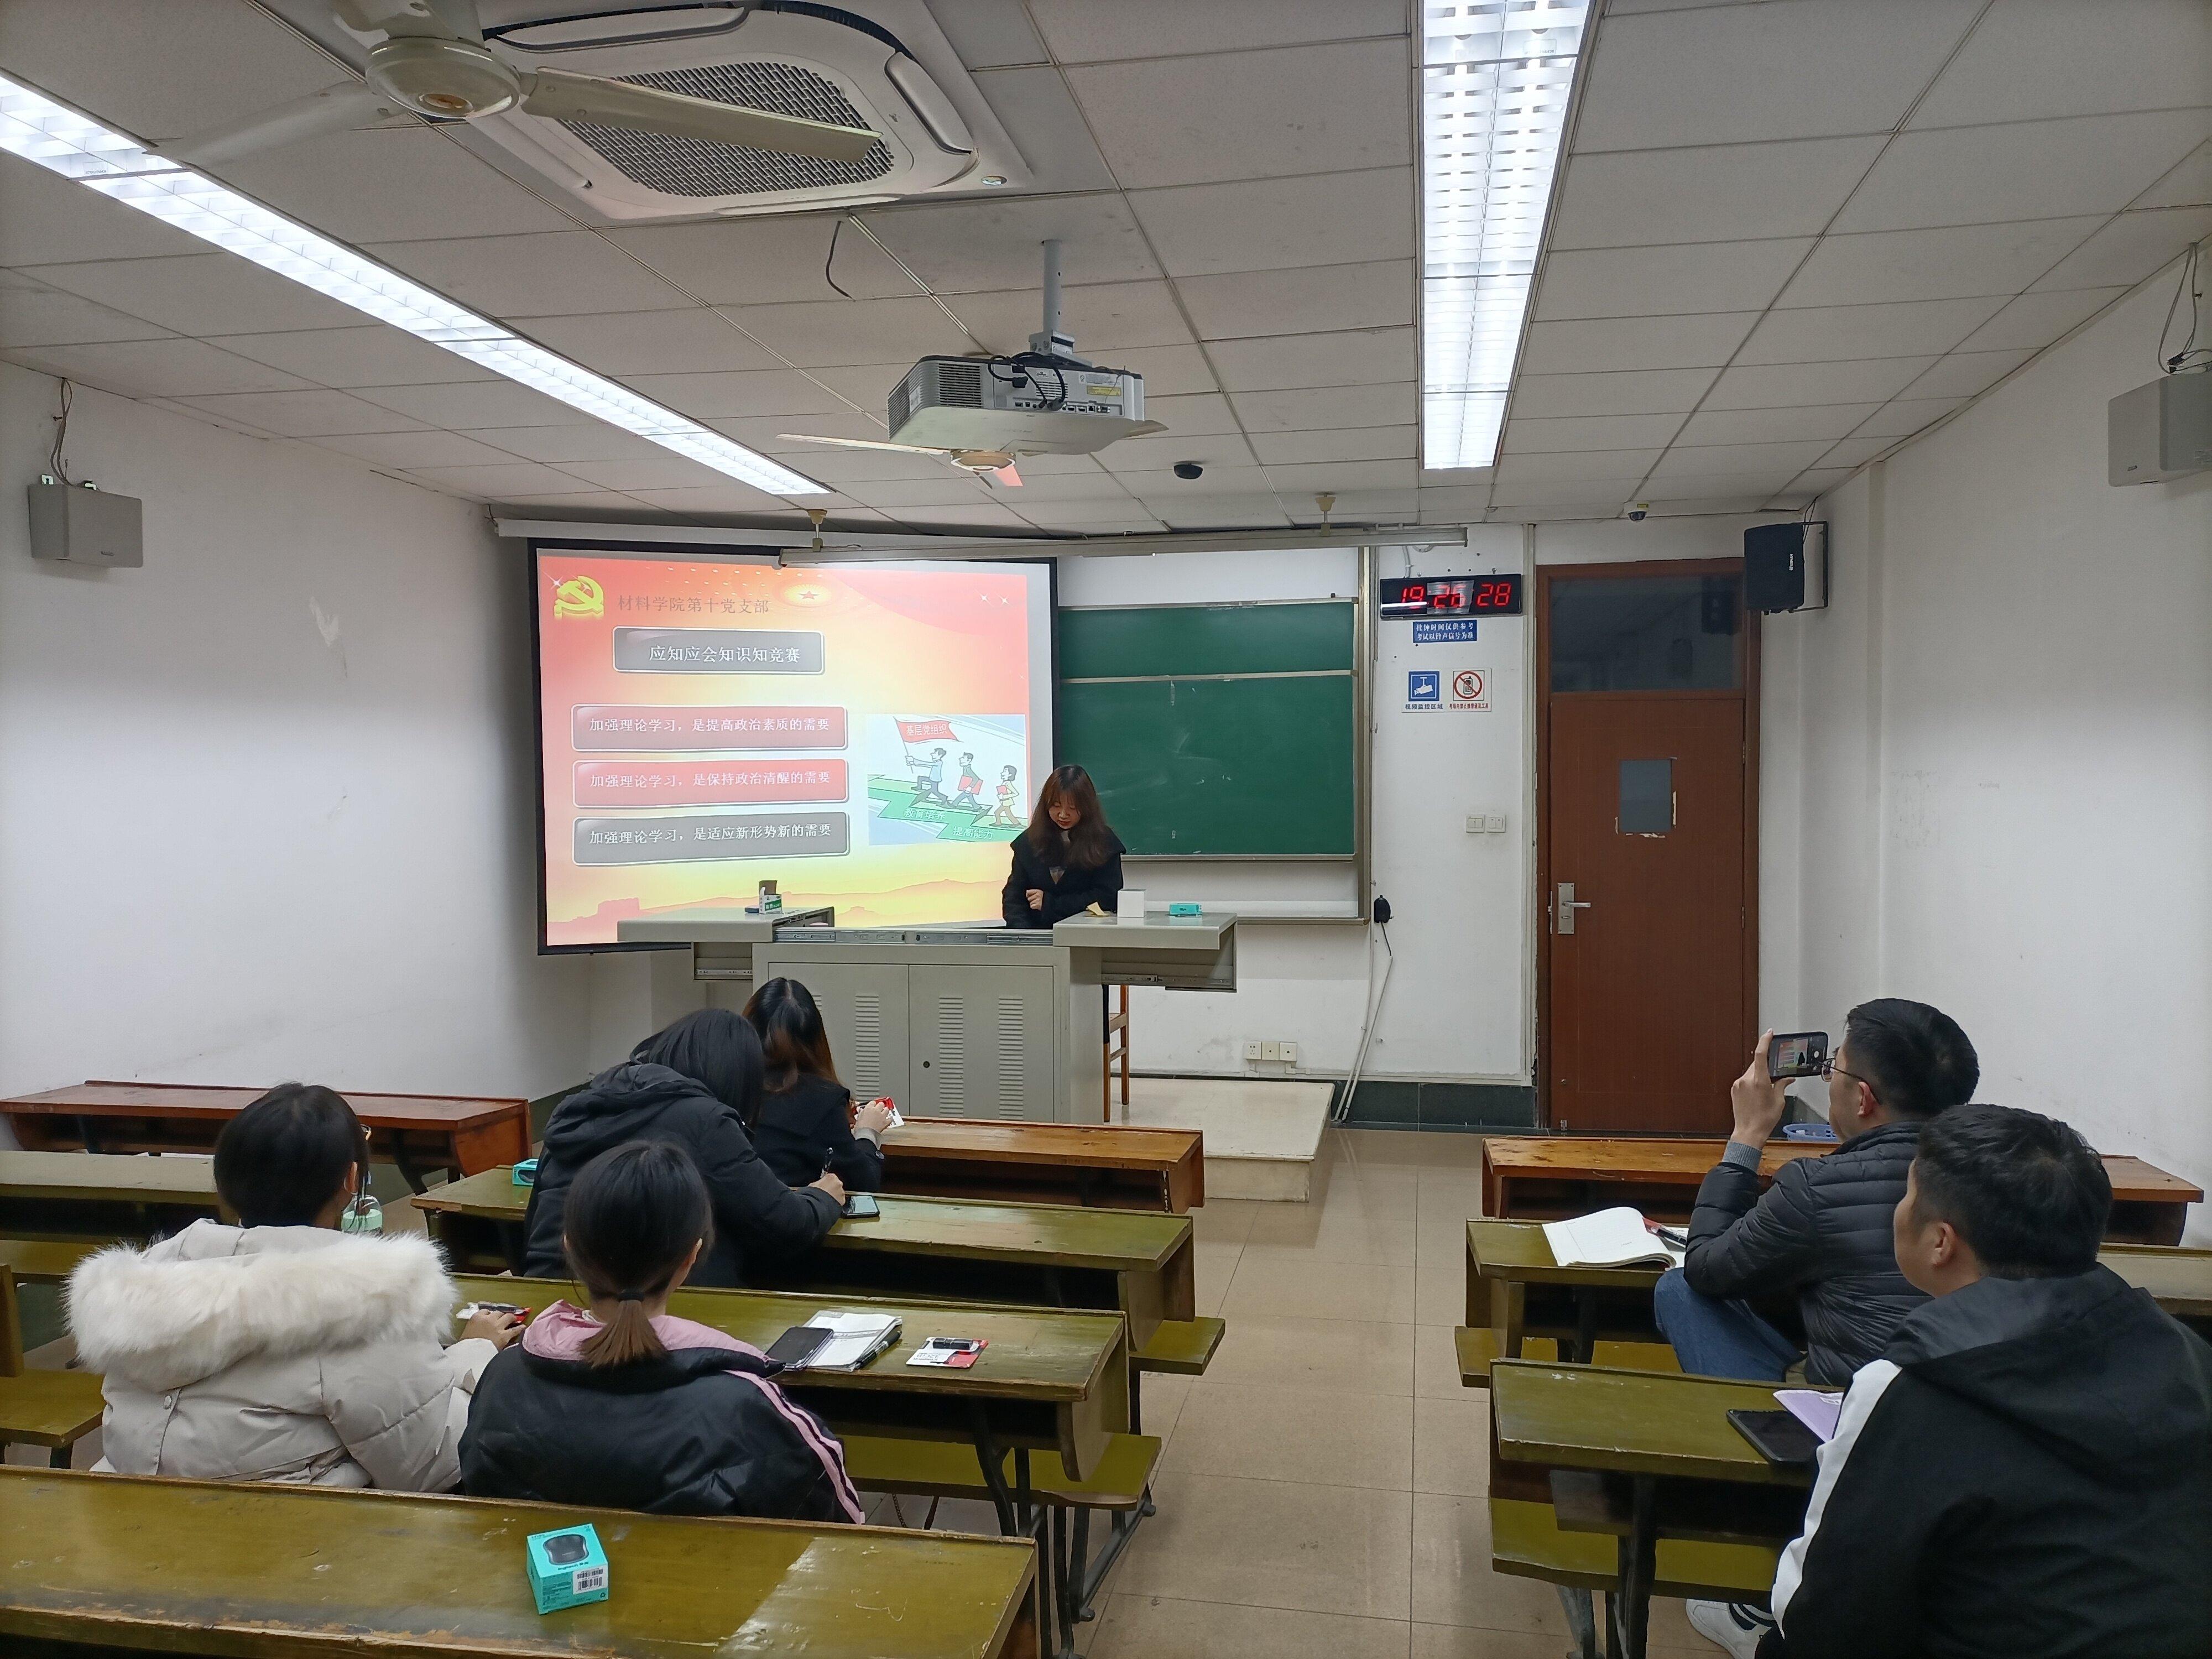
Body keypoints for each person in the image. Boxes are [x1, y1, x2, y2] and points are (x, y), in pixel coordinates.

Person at [1734, 1105, 2212, 1659]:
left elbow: (1825, 1618)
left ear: (1941, 1242)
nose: (1900, 1209)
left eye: (1908, 1195)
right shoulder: (2187, 1354)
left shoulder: (1912, 1386)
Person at [67, 1083, 520, 1489]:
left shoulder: (145, 1280)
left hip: (128, 1508)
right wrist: (475, 1354)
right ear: (351, 1180)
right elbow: (429, 1464)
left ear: (224, 1181)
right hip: (277, 1535)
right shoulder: (362, 1297)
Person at [461, 1141, 864, 1521]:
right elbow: (837, 1519)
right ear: (691, 1256)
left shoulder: (502, 1379)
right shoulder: (747, 1405)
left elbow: (480, 1491)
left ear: (568, 1246)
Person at [1658, 999, 1979, 1388]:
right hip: (1972, 1404)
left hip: (1849, 1406)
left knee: (1678, 1289)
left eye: (1834, 1069)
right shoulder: (1998, 1179)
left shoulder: (1817, 1186)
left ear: (1863, 1098)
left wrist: (1747, 1134)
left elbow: (1706, 1270)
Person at [523, 1008, 842, 1287]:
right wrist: (823, 1196)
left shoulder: (579, 1106)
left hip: (549, 1294)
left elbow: (535, 1223)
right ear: (737, 1077)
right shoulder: (705, 1119)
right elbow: (785, 1223)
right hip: (654, 1306)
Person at [741, 975, 893, 1190]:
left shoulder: (726, 1085)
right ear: (815, 1040)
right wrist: (868, 1132)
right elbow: (863, 1183)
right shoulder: (822, 1101)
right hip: (792, 1209)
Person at [1000, 763, 1126, 929]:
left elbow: (1108, 896)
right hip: (1035, 934)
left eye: (1072, 808)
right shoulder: (1029, 841)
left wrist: (1052, 904)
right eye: (1056, 806)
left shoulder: (1104, 842)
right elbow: (1014, 895)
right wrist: (1023, 934)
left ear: (1087, 807)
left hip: (1085, 934)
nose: (1063, 814)